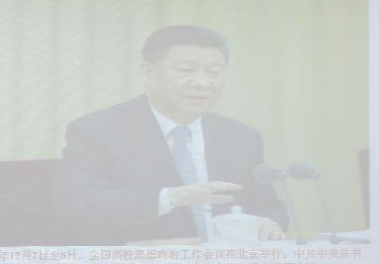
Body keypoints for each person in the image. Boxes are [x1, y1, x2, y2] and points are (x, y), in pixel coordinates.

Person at [57, 25, 288, 245]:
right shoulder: (98, 130)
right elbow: (78, 205)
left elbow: (268, 206)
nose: (202, 83)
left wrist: (268, 222)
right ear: (148, 73)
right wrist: (170, 198)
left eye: (214, 72)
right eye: (186, 70)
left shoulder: (241, 137)